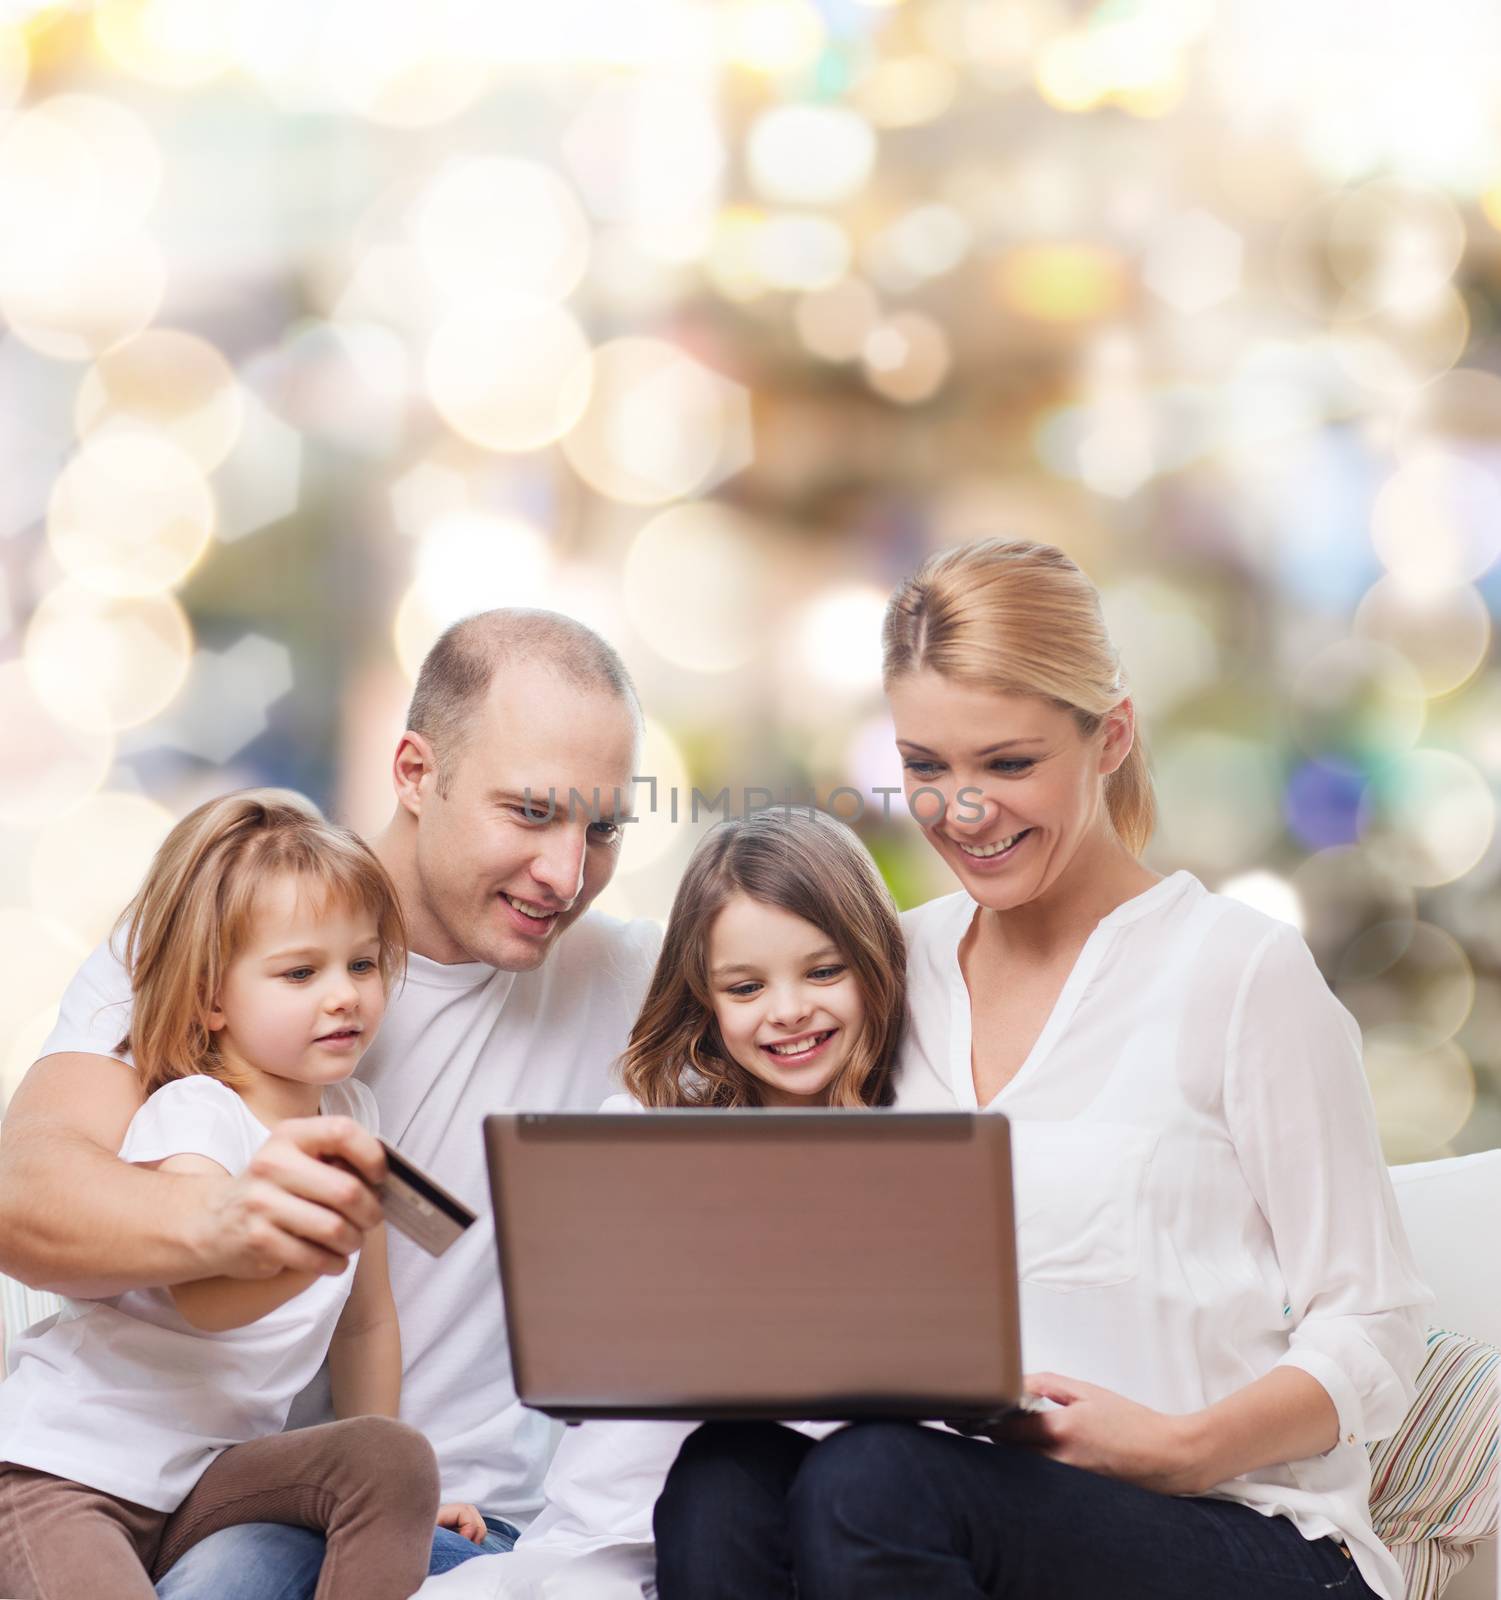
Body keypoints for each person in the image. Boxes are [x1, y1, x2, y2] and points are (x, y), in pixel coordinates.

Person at [653, 539, 1432, 1600]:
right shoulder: (891, 966)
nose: (961, 812)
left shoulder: (1239, 972)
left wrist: (1184, 1445)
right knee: (724, 1474)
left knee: (872, 1482)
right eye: (925, 767)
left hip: (1240, 1533)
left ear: (1109, 737)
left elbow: (1376, 1326)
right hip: (968, 1508)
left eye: (1007, 764)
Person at [0, 611, 663, 1597]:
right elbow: (27, 1196)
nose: (567, 876)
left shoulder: (645, 979)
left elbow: (849, 975)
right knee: (227, 1573)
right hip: (195, 1493)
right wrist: (230, 1222)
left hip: (459, 1519)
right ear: (411, 772)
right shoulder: (224, 932)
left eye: (602, 828)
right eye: (530, 812)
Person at [416, 809, 908, 1600]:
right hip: (600, 1541)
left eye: (821, 973)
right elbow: (578, 1356)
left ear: (875, 964)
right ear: (705, 999)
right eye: (745, 987)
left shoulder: (917, 1151)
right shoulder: (642, 1137)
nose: (786, 1010)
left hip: (776, 1538)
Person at [0, 789, 467, 1599]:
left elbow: (366, 1323)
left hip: (199, 1481)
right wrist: (312, 1238)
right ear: (213, 998)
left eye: (361, 964)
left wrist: (411, 1502)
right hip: (65, 1475)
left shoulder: (357, 1115)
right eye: (300, 972)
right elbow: (204, 1298)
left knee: (392, 1458)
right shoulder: (196, 1111)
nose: (344, 995)